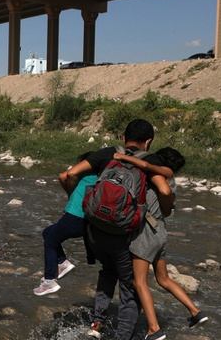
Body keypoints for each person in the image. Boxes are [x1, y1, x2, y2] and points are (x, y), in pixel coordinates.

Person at [59, 119, 169, 340]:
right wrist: (163, 213)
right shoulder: (149, 160)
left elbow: (67, 175)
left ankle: (96, 324)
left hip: (96, 231)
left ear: (123, 138)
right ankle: (123, 336)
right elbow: (165, 191)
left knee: (108, 272)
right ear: (148, 141)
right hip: (124, 234)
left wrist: (75, 201)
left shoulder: (108, 153)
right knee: (130, 288)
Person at [115, 147, 208, 340]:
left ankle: (153, 329)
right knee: (163, 279)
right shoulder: (170, 178)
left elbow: (154, 178)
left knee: (139, 281)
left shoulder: (157, 175)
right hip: (160, 231)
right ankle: (195, 312)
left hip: (147, 231)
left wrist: (123, 157)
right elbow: (167, 209)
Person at [33, 151, 98, 296]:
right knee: (48, 232)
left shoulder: (83, 175)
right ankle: (62, 262)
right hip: (86, 220)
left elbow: (63, 176)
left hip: (75, 216)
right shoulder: (98, 178)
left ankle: (49, 280)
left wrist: (69, 194)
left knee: (50, 240)